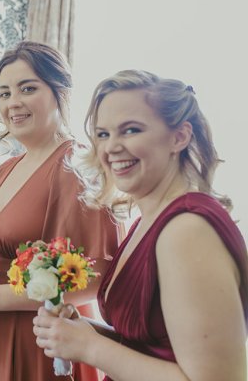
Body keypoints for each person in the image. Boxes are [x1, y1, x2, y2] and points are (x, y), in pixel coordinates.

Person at [33, 69, 248, 381]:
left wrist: (91, 348)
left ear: (180, 136)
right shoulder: (148, 222)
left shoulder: (187, 230)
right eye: (103, 134)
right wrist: (85, 333)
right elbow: (155, 346)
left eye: (131, 130)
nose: (111, 148)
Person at [0, 41, 119, 381]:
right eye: (4, 93)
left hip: (43, 343)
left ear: (60, 91)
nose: (13, 103)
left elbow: (95, 278)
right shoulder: (6, 169)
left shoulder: (76, 166)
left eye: (28, 88)